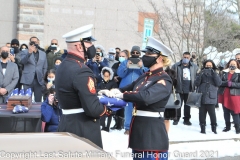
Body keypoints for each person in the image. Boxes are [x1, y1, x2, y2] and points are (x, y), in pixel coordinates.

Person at [109, 37, 173, 160]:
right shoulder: (145, 76)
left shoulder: (164, 79)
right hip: (139, 135)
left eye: (149, 54)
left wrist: (123, 95)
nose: (145, 56)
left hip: (152, 138)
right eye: (145, 53)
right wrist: (113, 91)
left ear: (159, 58)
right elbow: (128, 88)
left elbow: (146, 97)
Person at [55, 24, 112, 148]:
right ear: (79, 46)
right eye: (89, 43)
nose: (92, 47)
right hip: (82, 130)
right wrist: (108, 109)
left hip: (66, 124)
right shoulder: (81, 70)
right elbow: (92, 109)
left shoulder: (63, 66)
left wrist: (97, 94)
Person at [117, 46, 148, 135]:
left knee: (139, 108)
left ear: (140, 54)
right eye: (133, 52)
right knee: (128, 108)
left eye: (137, 53)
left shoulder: (143, 63)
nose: (135, 54)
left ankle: (137, 127)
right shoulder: (125, 62)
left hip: (139, 88)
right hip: (127, 88)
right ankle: (127, 127)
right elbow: (120, 74)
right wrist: (127, 66)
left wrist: (141, 67)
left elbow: (147, 74)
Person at [171, 51, 198, 125]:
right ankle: (176, 118)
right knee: (178, 105)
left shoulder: (194, 67)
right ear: (182, 57)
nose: (186, 59)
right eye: (184, 57)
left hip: (189, 88)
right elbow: (171, 76)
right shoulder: (176, 66)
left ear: (190, 58)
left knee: (188, 105)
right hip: (179, 88)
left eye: (187, 57)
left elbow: (197, 76)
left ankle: (186, 119)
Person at [195, 60, 222, 134]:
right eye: (207, 65)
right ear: (204, 66)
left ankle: (214, 128)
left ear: (213, 66)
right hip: (202, 95)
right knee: (202, 114)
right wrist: (200, 74)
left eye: (210, 66)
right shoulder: (201, 72)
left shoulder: (216, 73)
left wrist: (214, 74)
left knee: (212, 114)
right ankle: (202, 128)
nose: (208, 67)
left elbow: (219, 83)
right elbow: (196, 83)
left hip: (211, 96)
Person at [20, 36, 48, 102]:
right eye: (32, 42)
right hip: (27, 79)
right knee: (26, 100)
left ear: (38, 43)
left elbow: (45, 66)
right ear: (29, 43)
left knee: (38, 100)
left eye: (36, 42)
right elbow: (22, 62)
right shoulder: (25, 52)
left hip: (39, 80)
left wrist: (43, 77)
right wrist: (29, 53)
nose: (34, 43)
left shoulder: (43, 53)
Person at [218, 59, 240, 134]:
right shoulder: (224, 72)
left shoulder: (239, 73)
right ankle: (227, 126)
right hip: (224, 94)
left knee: (235, 112)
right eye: (231, 64)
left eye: (234, 64)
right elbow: (219, 82)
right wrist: (226, 83)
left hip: (235, 95)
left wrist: (232, 84)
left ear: (237, 65)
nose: (232, 65)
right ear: (228, 64)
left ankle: (237, 128)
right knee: (226, 111)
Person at [97, 67, 118, 132]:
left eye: (107, 76)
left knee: (110, 114)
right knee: (103, 113)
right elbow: (98, 89)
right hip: (103, 101)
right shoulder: (101, 83)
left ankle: (108, 127)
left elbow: (115, 91)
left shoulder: (113, 83)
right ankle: (103, 126)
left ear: (110, 76)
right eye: (105, 76)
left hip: (110, 100)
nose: (106, 77)